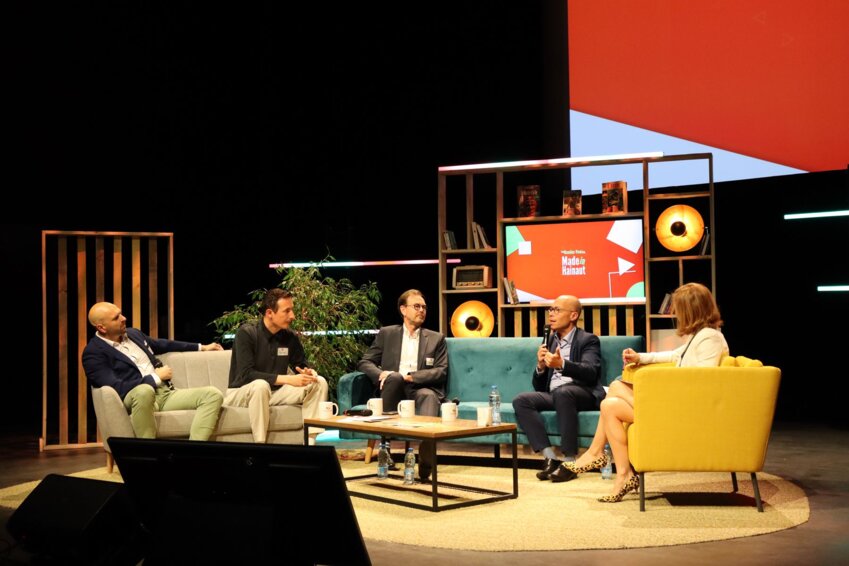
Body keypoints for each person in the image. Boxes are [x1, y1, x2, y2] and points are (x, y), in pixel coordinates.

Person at [564, 282, 729, 502]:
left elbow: (703, 380)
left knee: (614, 387)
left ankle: (595, 454)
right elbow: (674, 355)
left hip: (688, 411)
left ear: (691, 310)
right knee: (608, 406)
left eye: (678, 308)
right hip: (679, 403)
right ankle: (624, 474)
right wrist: (640, 357)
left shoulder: (710, 337)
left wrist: (659, 385)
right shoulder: (700, 335)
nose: (675, 313)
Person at [82, 302, 224, 440]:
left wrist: (202, 347)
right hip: (136, 398)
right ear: (102, 328)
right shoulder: (93, 353)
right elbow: (115, 387)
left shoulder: (133, 334)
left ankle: (192, 455)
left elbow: (163, 344)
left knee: (212, 394)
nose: (123, 318)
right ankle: (148, 457)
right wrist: (154, 378)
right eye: (116, 317)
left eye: (121, 314)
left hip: (165, 394)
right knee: (144, 391)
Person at [358, 289, 448, 481]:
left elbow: (440, 371)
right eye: (417, 306)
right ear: (403, 310)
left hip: (420, 387)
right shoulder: (387, 333)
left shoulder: (435, 338)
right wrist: (381, 373)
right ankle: (386, 447)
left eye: (424, 307)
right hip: (394, 387)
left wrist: (411, 377)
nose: (422, 310)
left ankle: (426, 454)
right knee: (395, 378)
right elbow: (365, 362)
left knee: (429, 396)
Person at [512, 295, 602, 483]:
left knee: (564, 392)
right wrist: (541, 367)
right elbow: (539, 387)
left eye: (557, 310)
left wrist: (562, 364)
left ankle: (570, 462)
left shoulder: (588, 340)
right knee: (521, 400)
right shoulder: (550, 340)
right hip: (556, 394)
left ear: (573, 315)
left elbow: (591, 372)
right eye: (550, 310)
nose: (551, 314)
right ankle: (550, 457)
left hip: (581, 392)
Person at [227, 288, 328, 443]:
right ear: (269, 313)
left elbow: (299, 364)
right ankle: (261, 447)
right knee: (260, 386)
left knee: (318, 382)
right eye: (286, 311)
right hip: (242, 392)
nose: (292, 316)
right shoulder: (247, 333)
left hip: (275, 393)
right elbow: (247, 375)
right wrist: (287, 379)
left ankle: (309, 444)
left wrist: (307, 371)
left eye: (292, 310)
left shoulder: (289, 337)